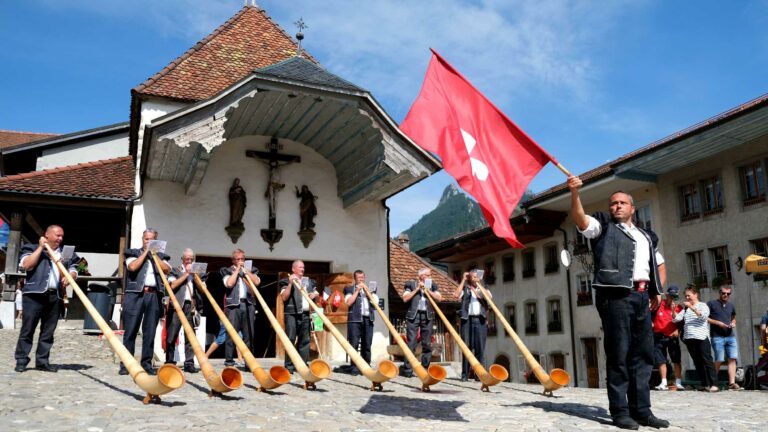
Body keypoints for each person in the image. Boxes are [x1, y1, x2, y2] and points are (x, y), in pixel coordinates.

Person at [568, 176, 669, 430]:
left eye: (623, 203)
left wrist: (658, 290)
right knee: (619, 355)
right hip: (616, 298)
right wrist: (575, 194)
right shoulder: (602, 226)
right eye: (614, 203)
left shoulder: (647, 236)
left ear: (632, 208)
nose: (617, 206)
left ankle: (642, 411)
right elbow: (580, 220)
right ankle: (620, 412)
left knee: (643, 356)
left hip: (642, 298)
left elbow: (658, 264)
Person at [14, 225, 79, 373]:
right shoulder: (30, 248)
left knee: (48, 332)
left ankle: (42, 361)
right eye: (57, 235)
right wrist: (40, 248)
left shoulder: (66, 252)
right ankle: (21, 360)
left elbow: (76, 267)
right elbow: (27, 265)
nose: (60, 238)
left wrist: (71, 276)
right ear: (47, 235)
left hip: (55, 296)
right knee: (28, 329)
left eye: (62, 236)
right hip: (34, 295)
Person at [121, 228, 171, 375]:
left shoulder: (162, 256)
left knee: (150, 332)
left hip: (154, 295)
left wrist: (154, 255)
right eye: (146, 239)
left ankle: (146, 364)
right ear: (142, 239)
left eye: (151, 239)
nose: (148, 241)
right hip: (135, 295)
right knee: (130, 331)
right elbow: (132, 267)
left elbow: (166, 269)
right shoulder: (132, 253)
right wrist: (145, 253)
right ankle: (126, 365)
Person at [164, 248, 204, 373]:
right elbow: (172, 285)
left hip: (190, 306)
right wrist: (186, 274)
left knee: (190, 336)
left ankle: (189, 363)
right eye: (187, 259)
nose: (189, 261)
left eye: (191, 259)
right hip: (176, 306)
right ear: (182, 259)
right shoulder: (175, 270)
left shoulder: (197, 272)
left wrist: (195, 276)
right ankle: (170, 361)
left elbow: (203, 289)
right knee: (171, 335)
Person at [673, 285, 718, 392]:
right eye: (686, 296)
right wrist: (672, 308)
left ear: (695, 295)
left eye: (689, 296)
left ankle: (714, 384)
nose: (687, 298)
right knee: (697, 361)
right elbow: (676, 319)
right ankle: (704, 383)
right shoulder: (686, 309)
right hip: (689, 338)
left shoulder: (703, 305)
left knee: (707, 360)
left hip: (701, 337)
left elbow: (703, 317)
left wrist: (692, 308)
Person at [220, 249, 260, 367]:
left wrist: (247, 272)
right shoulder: (226, 270)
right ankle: (229, 361)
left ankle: (249, 362)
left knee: (249, 334)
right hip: (233, 306)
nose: (241, 261)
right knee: (231, 333)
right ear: (233, 260)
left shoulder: (251, 270)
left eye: (243, 259)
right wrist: (237, 270)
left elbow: (257, 282)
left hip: (249, 304)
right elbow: (229, 284)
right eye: (238, 259)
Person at [400, 267, 442, 378]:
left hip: (427, 316)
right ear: (421, 276)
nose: (430, 277)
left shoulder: (433, 285)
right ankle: (408, 369)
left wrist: (428, 291)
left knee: (427, 344)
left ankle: (424, 369)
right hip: (414, 315)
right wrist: (418, 289)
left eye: (430, 275)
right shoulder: (410, 284)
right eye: (428, 275)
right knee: (411, 343)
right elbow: (405, 298)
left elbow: (439, 298)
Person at [278, 260, 319, 374]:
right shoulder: (285, 281)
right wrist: (291, 283)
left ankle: (302, 365)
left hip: (305, 314)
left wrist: (314, 294)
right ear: (293, 269)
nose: (303, 269)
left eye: (303, 267)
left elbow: (316, 293)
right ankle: (289, 366)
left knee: (305, 341)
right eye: (300, 267)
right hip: (291, 314)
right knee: (290, 339)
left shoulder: (309, 282)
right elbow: (284, 297)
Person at [454, 269, 490, 382]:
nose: (474, 278)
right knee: (467, 347)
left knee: (480, 347)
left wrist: (478, 285)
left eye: (476, 277)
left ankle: (479, 374)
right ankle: (465, 374)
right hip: (467, 320)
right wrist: (463, 280)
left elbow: (488, 297)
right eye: (472, 277)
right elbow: (456, 295)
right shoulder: (466, 288)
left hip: (480, 320)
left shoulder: (484, 288)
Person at [706, 286, 741, 390]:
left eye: (728, 293)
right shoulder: (711, 304)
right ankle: (713, 382)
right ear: (719, 293)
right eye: (723, 293)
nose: (726, 295)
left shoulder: (731, 305)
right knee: (719, 359)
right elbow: (704, 317)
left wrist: (733, 323)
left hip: (730, 336)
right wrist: (717, 323)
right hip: (717, 337)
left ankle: (732, 383)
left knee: (733, 358)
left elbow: (734, 318)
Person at [344, 270, 377, 374]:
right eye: (359, 278)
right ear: (355, 279)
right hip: (355, 320)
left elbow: (375, 303)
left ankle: (366, 366)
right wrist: (357, 291)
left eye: (362, 277)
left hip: (368, 319)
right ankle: (354, 368)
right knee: (353, 344)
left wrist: (367, 292)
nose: (361, 280)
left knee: (367, 344)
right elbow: (349, 302)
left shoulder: (371, 289)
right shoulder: (349, 289)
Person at [651, 284, 684, 391]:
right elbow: (650, 316)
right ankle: (664, 382)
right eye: (671, 296)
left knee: (676, 360)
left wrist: (677, 330)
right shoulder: (659, 305)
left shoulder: (679, 308)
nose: (672, 299)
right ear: (667, 295)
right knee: (661, 360)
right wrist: (651, 324)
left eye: (675, 297)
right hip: (658, 336)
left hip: (672, 337)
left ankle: (678, 382)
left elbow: (683, 323)